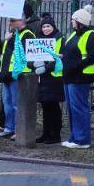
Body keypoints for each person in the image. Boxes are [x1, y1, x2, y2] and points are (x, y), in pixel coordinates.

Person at [0, 7, 35, 139]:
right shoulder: (13, 34)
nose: (9, 23)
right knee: (7, 103)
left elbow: (19, 53)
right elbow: (4, 53)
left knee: (17, 104)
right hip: (7, 74)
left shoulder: (27, 34)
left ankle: (19, 129)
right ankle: (8, 128)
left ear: (21, 21)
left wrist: (9, 40)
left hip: (18, 74)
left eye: (12, 20)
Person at [59, 7, 94, 149]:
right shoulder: (74, 34)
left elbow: (92, 56)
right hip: (69, 76)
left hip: (80, 77)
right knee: (71, 108)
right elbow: (68, 51)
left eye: (73, 19)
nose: (71, 22)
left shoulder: (91, 35)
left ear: (80, 21)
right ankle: (74, 137)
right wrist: (62, 57)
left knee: (79, 108)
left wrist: (75, 66)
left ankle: (82, 140)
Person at [34, 14, 65, 145]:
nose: (46, 29)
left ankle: (55, 134)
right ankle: (45, 133)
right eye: (44, 26)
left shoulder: (59, 39)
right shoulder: (39, 39)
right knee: (45, 106)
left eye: (48, 26)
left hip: (54, 77)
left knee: (53, 106)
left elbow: (61, 57)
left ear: (53, 27)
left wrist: (46, 67)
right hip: (43, 78)